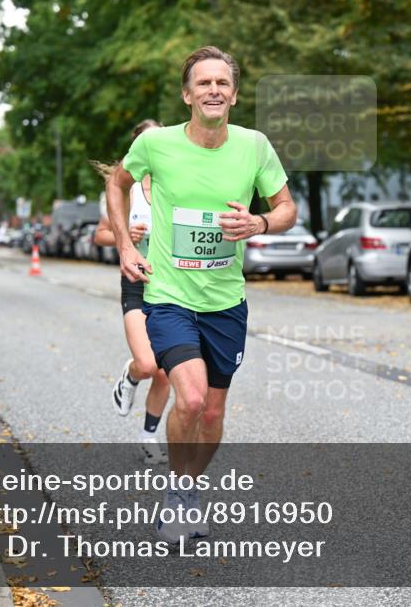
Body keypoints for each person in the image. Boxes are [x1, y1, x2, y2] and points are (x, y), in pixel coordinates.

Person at [107, 46, 296, 543]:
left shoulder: (254, 146)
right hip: (169, 295)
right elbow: (117, 183)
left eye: (222, 83)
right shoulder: (157, 145)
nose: (214, 89)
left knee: (212, 413)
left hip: (226, 302)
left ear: (233, 94)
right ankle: (177, 494)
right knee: (189, 399)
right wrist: (126, 245)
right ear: (186, 94)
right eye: (204, 83)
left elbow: (286, 209)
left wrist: (259, 221)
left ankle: (189, 489)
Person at [92, 120, 171, 465]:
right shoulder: (125, 189)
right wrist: (126, 238)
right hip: (137, 281)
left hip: (173, 285)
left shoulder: (176, 182)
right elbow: (100, 236)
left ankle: (148, 436)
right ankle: (131, 374)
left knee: (168, 369)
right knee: (148, 363)